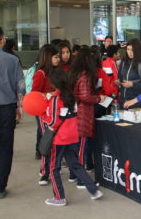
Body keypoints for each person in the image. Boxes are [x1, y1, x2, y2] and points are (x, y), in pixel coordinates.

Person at [42, 68, 103, 206]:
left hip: (59, 139)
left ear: (53, 83)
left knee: (53, 168)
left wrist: (42, 114)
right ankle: (94, 190)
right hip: (73, 136)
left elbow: (53, 121)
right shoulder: (72, 97)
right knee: (75, 165)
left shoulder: (55, 99)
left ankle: (59, 197)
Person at [0, 26, 25, 199]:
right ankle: (0, 187)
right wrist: (19, 106)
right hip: (7, 109)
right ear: (1, 40)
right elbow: (20, 84)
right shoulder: (12, 59)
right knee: (6, 150)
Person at [69, 46, 106, 187]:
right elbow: (85, 96)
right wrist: (99, 98)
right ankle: (81, 179)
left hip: (73, 114)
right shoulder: (85, 75)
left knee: (74, 147)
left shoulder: (73, 73)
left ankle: (73, 175)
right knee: (81, 148)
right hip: (83, 115)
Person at [32, 44, 60, 185]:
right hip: (44, 114)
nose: (58, 59)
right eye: (55, 57)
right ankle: (44, 172)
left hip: (57, 112)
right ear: (48, 57)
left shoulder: (56, 72)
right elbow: (34, 95)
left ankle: (53, 167)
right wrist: (50, 94)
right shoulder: (40, 74)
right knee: (47, 142)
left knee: (56, 143)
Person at [118, 39, 141, 109]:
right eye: (128, 49)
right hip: (123, 101)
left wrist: (132, 84)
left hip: (137, 102)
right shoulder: (123, 62)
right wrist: (118, 82)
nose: (130, 52)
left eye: (132, 50)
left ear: (137, 50)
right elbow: (120, 77)